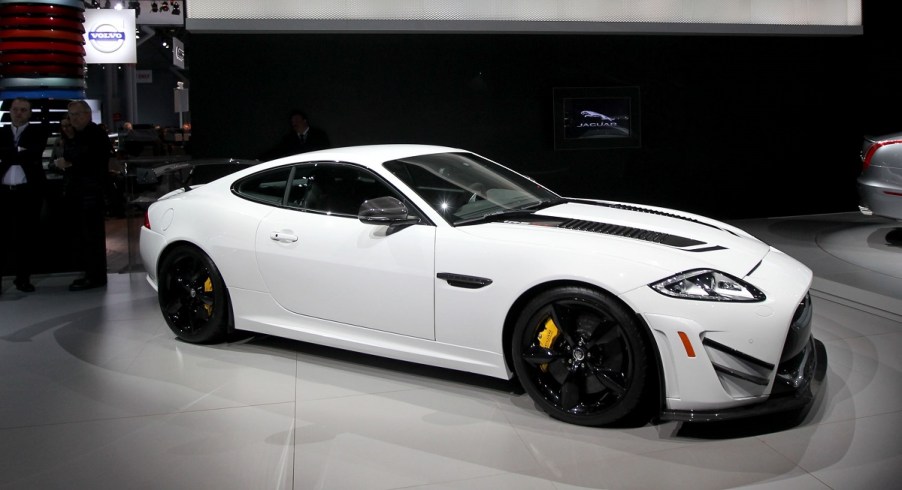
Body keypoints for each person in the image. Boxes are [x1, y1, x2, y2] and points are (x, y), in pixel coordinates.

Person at [53, 100, 114, 291]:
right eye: (71, 115)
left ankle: (95, 276)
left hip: (91, 193)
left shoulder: (95, 134)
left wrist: (70, 161)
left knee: (92, 236)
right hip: (80, 192)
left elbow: (90, 159)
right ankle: (90, 274)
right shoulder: (77, 135)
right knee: (84, 236)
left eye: (78, 114)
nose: (74, 118)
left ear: (88, 114)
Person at [0, 97, 49, 293]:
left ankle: (23, 278)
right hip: (4, 193)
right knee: (2, 238)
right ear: (10, 111)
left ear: (29, 113)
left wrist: (10, 153)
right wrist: (20, 152)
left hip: (28, 193)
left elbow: (34, 154)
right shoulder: (1, 132)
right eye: (15, 109)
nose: (18, 113)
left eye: (23, 110)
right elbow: (22, 155)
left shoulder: (38, 131)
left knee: (25, 238)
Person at [260, 109, 330, 160]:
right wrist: (260, 158)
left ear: (304, 120)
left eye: (296, 120)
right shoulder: (289, 139)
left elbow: (326, 151)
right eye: (292, 121)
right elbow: (277, 150)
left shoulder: (319, 135)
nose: (294, 124)